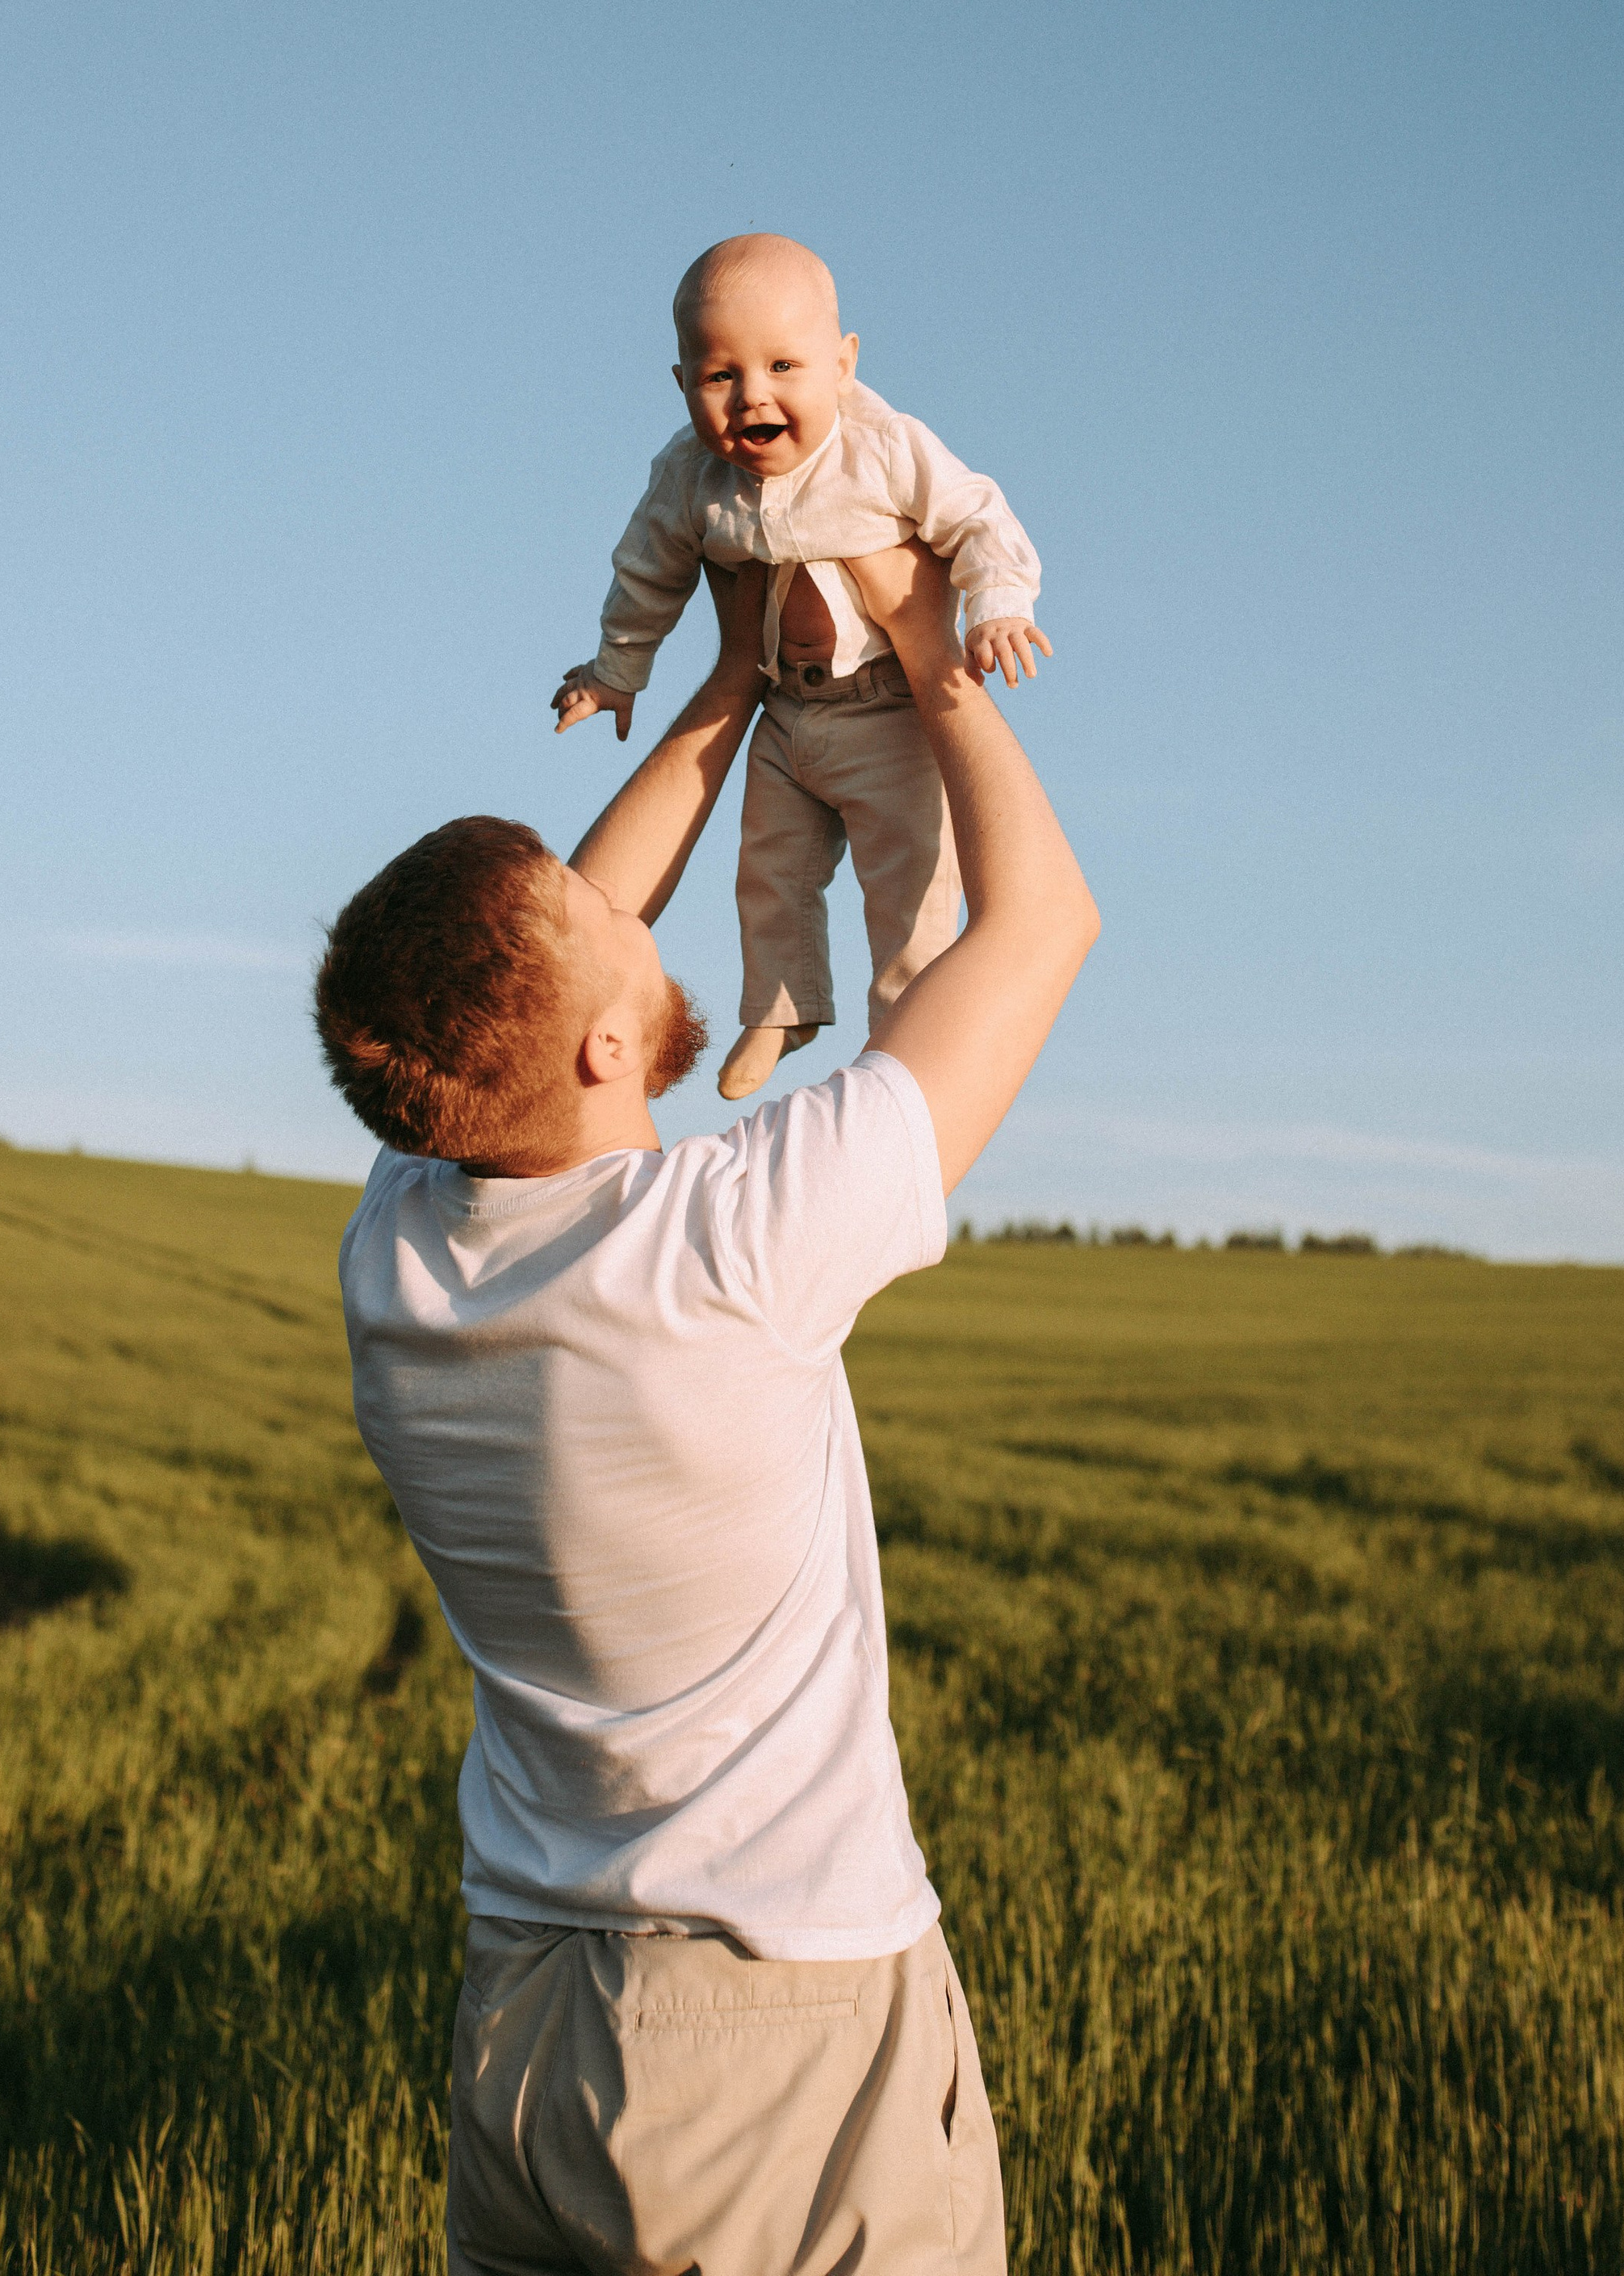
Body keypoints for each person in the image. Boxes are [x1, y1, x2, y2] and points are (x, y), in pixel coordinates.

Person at [316, 541, 1097, 2275]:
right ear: (598, 1048)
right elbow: (1044, 926)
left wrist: (736, 678)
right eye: (608, 926)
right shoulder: (729, 1247)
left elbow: (522, 1009)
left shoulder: (402, 1252)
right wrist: (920, 638)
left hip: (525, 2019)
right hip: (778, 2031)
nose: (633, 904)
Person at [551, 233, 1052, 1100]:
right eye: (720, 377)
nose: (753, 397)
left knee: (908, 881)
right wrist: (615, 671)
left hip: (893, 708)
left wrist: (999, 605)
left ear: (844, 364)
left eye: (785, 366)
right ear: (681, 386)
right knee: (770, 868)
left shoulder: (883, 449)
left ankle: (905, 1038)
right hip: (785, 710)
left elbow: (977, 517)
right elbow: (648, 571)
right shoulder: (688, 478)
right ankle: (783, 1009)